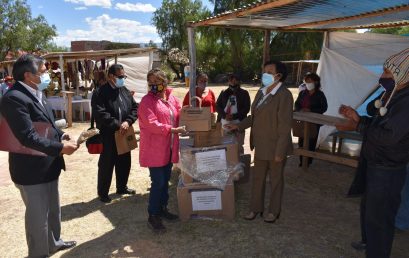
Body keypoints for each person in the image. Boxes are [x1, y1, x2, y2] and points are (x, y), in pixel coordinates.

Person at [0, 54, 78, 257]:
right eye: (43, 72)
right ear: (28, 75)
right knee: (37, 217)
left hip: (48, 164)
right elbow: (27, 136)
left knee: (53, 210)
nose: (47, 75)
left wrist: (61, 134)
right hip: (31, 170)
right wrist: (60, 148)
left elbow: (46, 123)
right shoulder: (13, 98)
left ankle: (54, 243)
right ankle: (38, 253)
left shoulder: (36, 92)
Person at [336, 48, 409, 258]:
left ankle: (377, 252)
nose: (383, 76)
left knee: (380, 220)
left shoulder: (406, 101)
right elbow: (378, 124)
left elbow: (388, 137)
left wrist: (356, 127)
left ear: (403, 73)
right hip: (376, 164)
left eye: (388, 72)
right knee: (370, 212)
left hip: (388, 171)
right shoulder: (394, 95)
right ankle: (370, 243)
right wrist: (358, 119)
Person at [226, 61, 293, 223]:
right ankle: (255, 209)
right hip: (261, 145)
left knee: (276, 181)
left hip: (276, 146)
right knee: (258, 179)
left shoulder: (284, 95)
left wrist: (280, 151)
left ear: (279, 76)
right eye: (264, 71)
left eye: (269, 72)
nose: (265, 75)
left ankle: (274, 212)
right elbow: (254, 117)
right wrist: (238, 126)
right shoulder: (261, 92)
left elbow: (285, 126)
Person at [138, 68, 186, 233]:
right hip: (154, 149)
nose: (153, 86)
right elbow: (151, 124)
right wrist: (173, 130)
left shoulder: (172, 98)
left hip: (169, 147)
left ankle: (162, 209)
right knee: (157, 182)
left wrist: (193, 115)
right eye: (150, 83)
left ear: (164, 82)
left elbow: (181, 114)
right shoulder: (146, 102)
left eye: (156, 83)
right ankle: (153, 215)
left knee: (165, 181)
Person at [94, 64, 138, 203]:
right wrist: (118, 125)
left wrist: (128, 122)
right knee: (107, 164)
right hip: (109, 134)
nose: (122, 79)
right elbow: (101, 114)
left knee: (125, 161)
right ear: (111, 76)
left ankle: (122, 187)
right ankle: (103, 193)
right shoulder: (100, 92)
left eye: (123, 76)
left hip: (124, 132)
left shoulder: (123, 90)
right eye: (120, 77)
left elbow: (135, 108)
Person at [294, 72, 327, 166]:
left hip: (314, 121)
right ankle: (301, 160)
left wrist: (311, 109)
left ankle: (308, 161)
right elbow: (296, 104)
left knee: (311, 141)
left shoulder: (320, 95)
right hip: (302, 121)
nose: (307, 83)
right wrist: (300, 109)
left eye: (310, 81)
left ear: (316, 82)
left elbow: (324, 107)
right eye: (306, 81)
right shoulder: (302, 93)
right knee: (301, 141)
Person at [216, 73, 251, 154]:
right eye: (231, 79)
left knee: (238, 145)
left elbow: (246, 108)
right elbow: (217, 106)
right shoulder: (223, 92)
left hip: (239, 122)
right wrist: (225, 115)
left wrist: (234, 116)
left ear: (239, 81)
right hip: (225, 122)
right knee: (225, 144)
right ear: (228, 81)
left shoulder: (244, 93)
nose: (233, 82)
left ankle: (239, 162)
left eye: (235, 80)